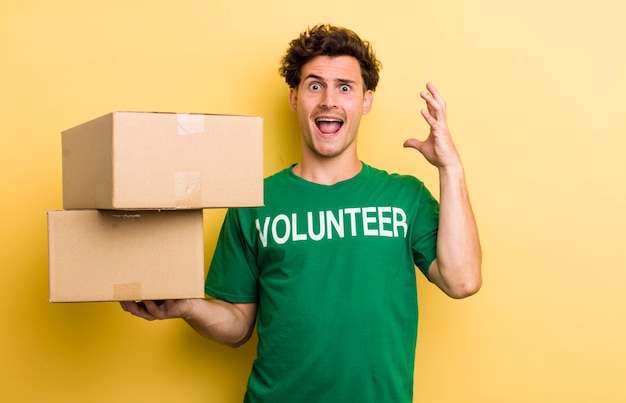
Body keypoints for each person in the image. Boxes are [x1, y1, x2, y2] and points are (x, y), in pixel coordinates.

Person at [121, 24, 482, 402]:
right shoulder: (253, 202)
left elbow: (462, 281)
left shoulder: (404, 197)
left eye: (345, 87)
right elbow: (238, 326)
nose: (329, 100)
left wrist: (450, 167)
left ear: (366, 101)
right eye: (315, 85)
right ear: (295, 98)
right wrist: (187, 307)